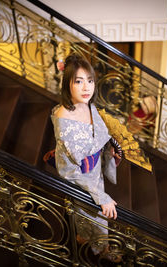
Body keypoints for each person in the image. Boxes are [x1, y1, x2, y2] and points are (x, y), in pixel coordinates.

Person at [50, 53, 121, 255]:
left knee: (88, 216)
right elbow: (69, 172)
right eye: (78, 81)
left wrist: (108, 150)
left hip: (94, 171)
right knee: (95, 215)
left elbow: (96, 134)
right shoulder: (65, 122)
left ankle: (84, 238)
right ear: (67, 84)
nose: (86, 87)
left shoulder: (87, 104)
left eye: (89, 81)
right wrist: (101, 196)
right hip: (80, 179)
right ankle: (102, 247)